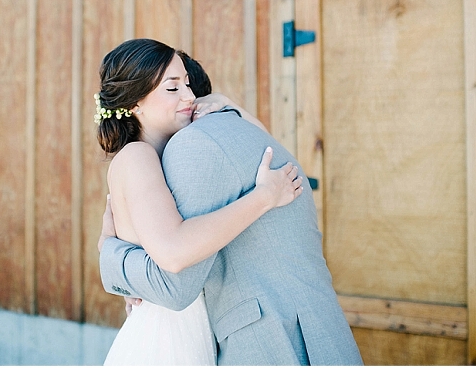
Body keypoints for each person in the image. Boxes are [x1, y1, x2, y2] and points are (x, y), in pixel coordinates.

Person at [98, 42, 364, 365]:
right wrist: (108, 253)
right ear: (135, 103)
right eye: (173, 87)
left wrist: (228, 104)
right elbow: (173, 256)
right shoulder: (138, 156)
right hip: (168, 337)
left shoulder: (170, 156)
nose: (190, 97)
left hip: (200, 331)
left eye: (187, 84)